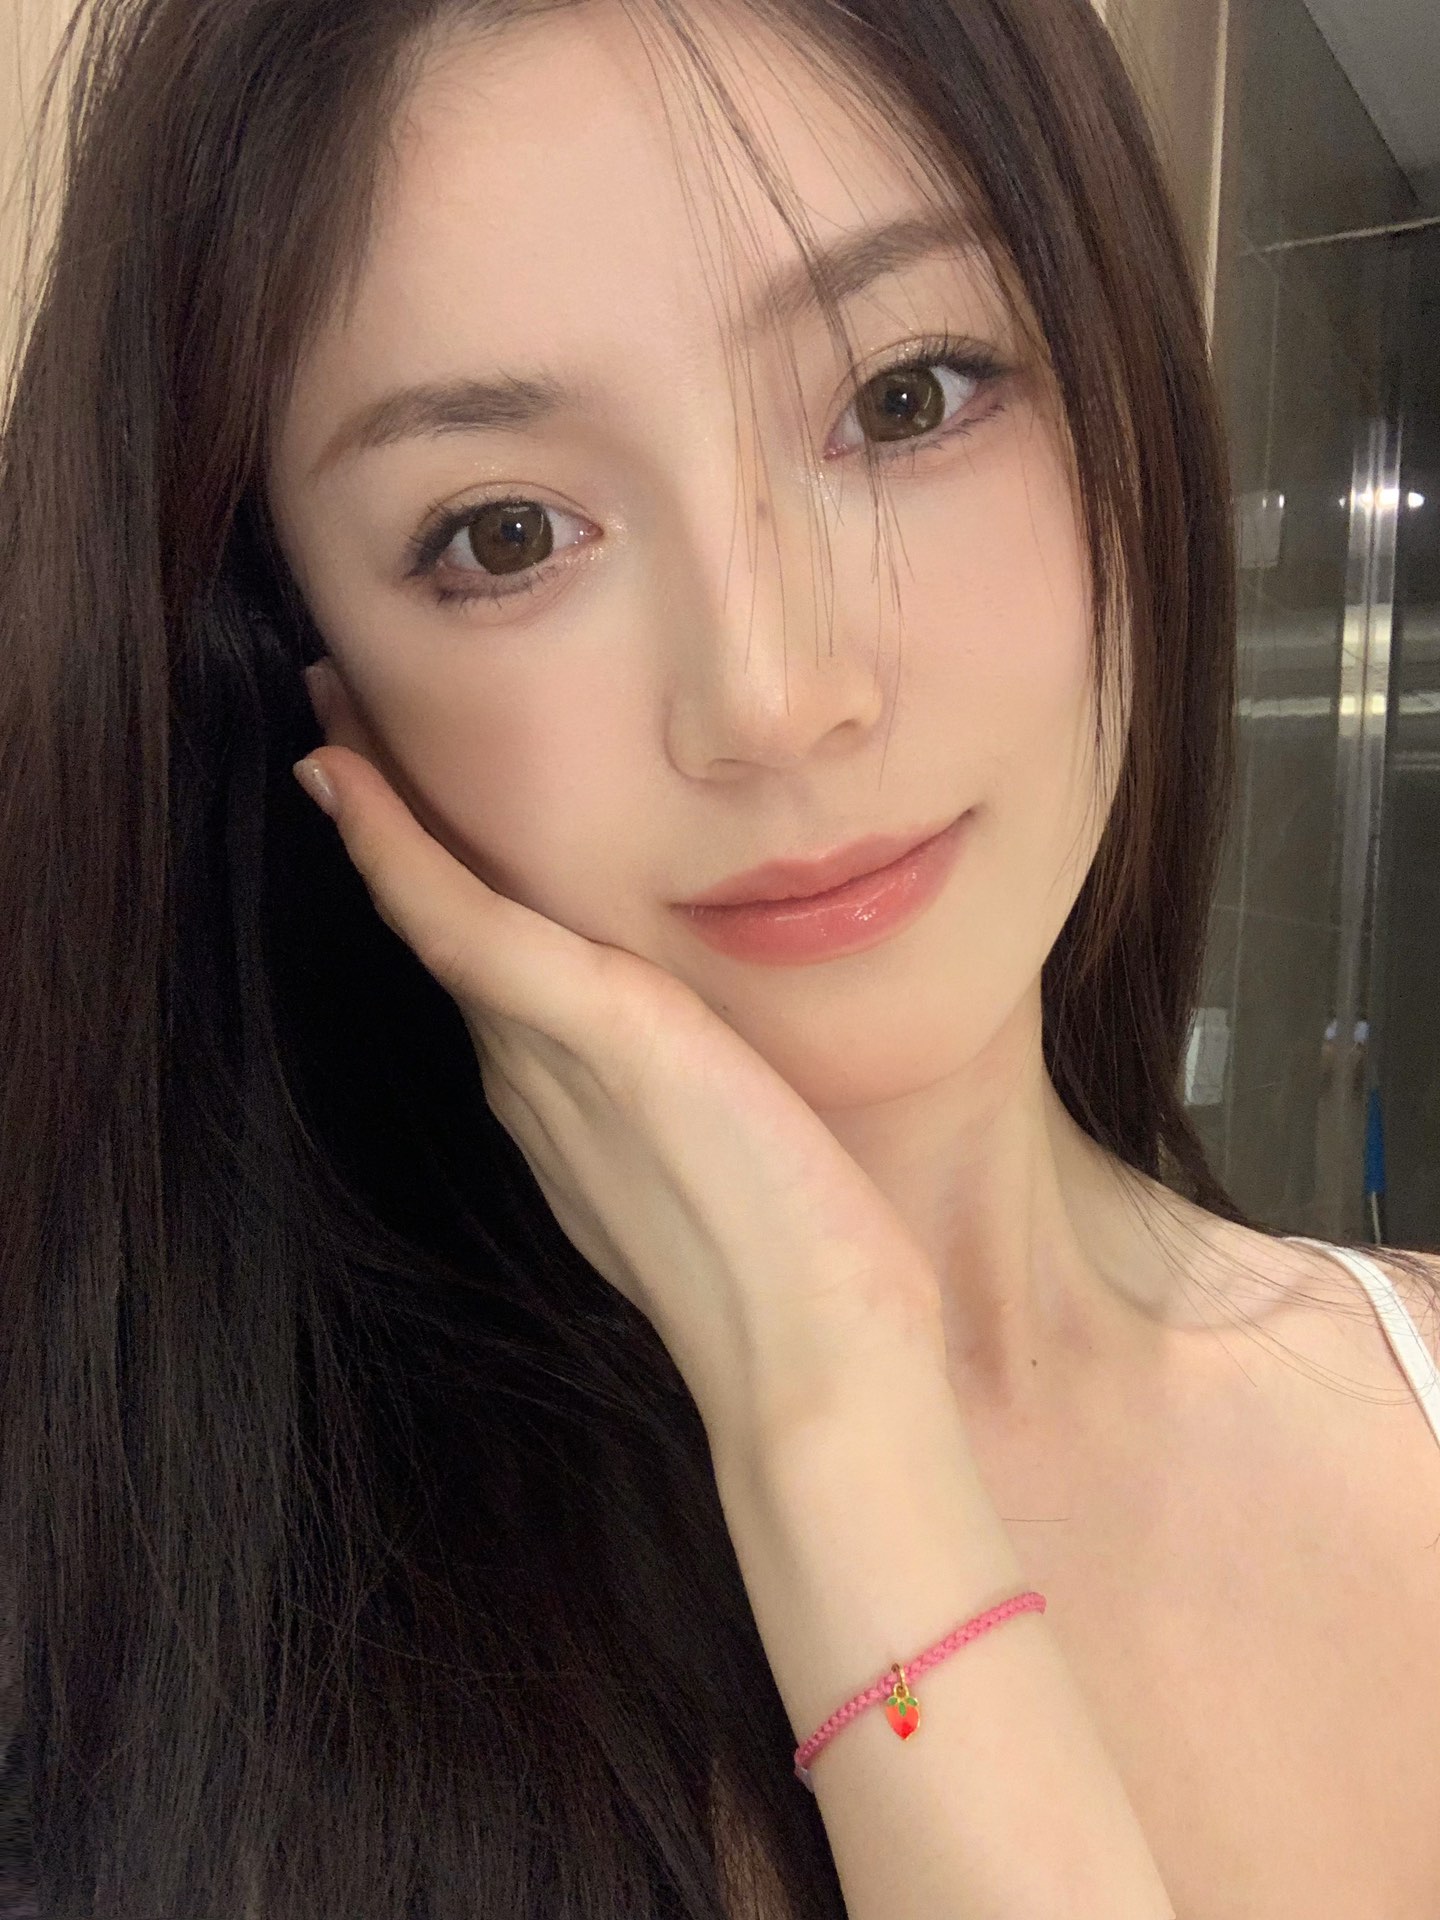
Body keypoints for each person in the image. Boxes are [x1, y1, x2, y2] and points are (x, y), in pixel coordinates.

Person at [1, 0, 1437, 1914]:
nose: (772, 696)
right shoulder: (153, 1651)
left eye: (907, 398)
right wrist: (825, 1406)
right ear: (301, 679)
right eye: (505, 532)